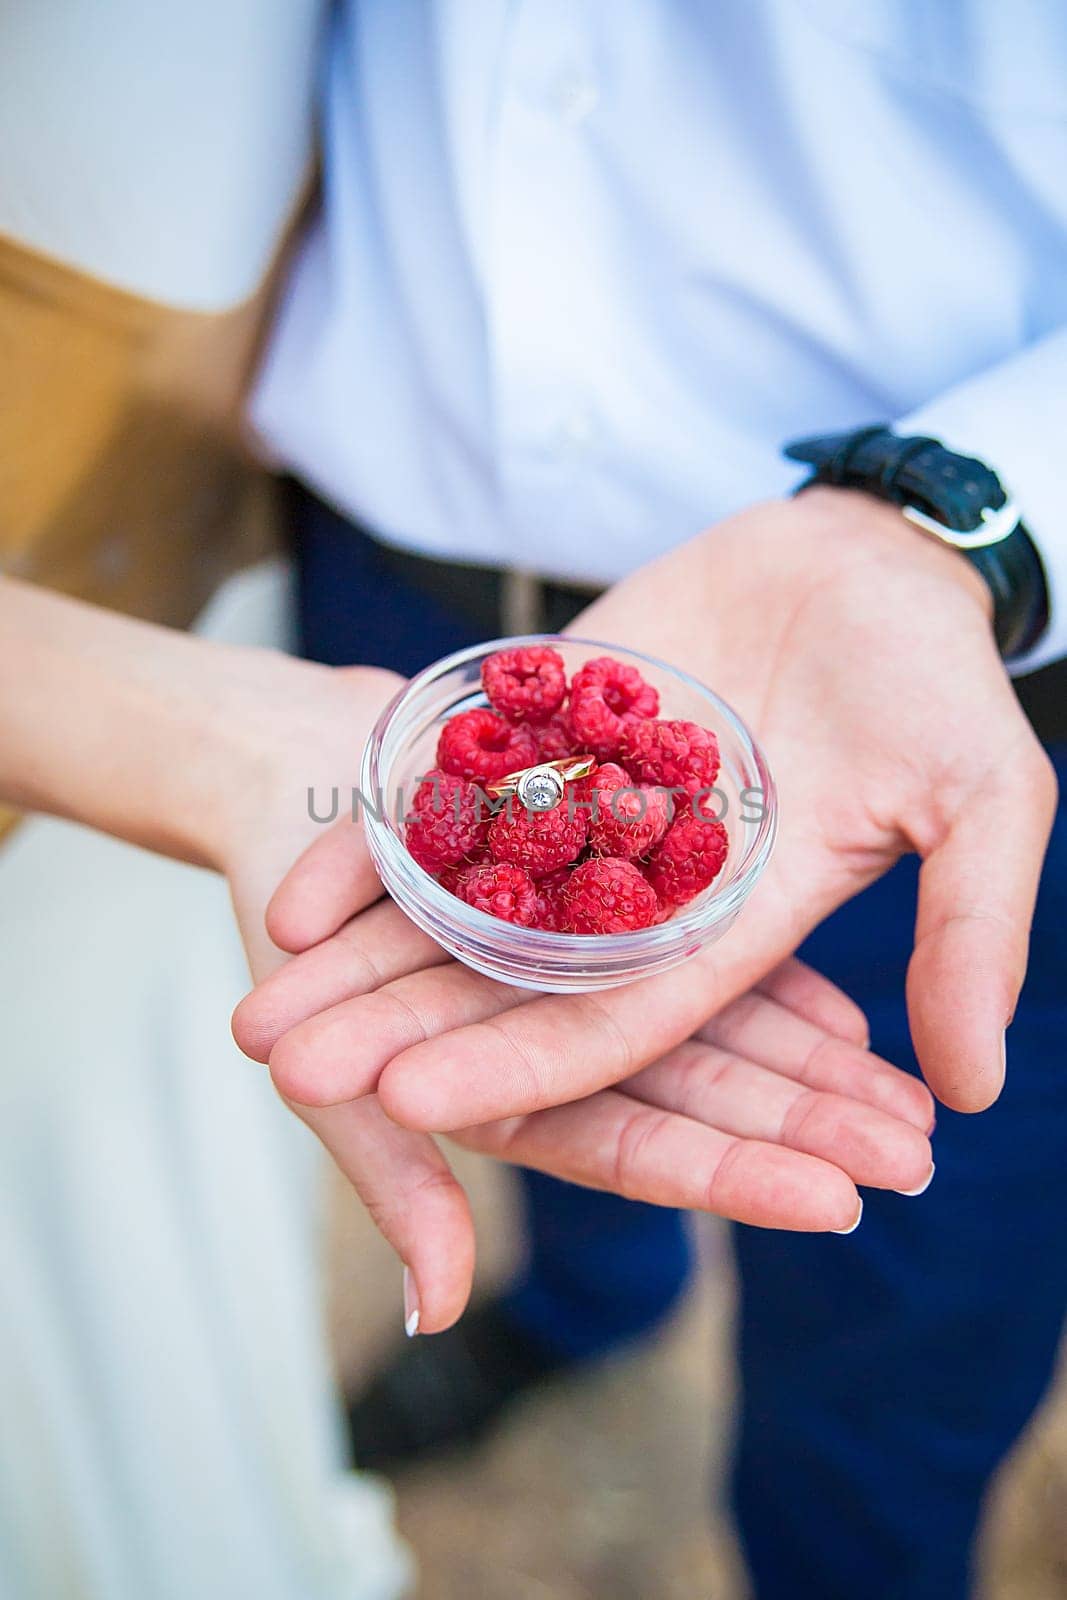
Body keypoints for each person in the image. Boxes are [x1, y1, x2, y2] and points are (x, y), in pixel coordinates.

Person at [234, 6, 1067, 1599]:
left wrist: (967, 514)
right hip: (402, 572)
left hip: (927, 649)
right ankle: (583, 1312)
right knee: (534, 1083)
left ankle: (852, 1555)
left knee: (899, 1249)